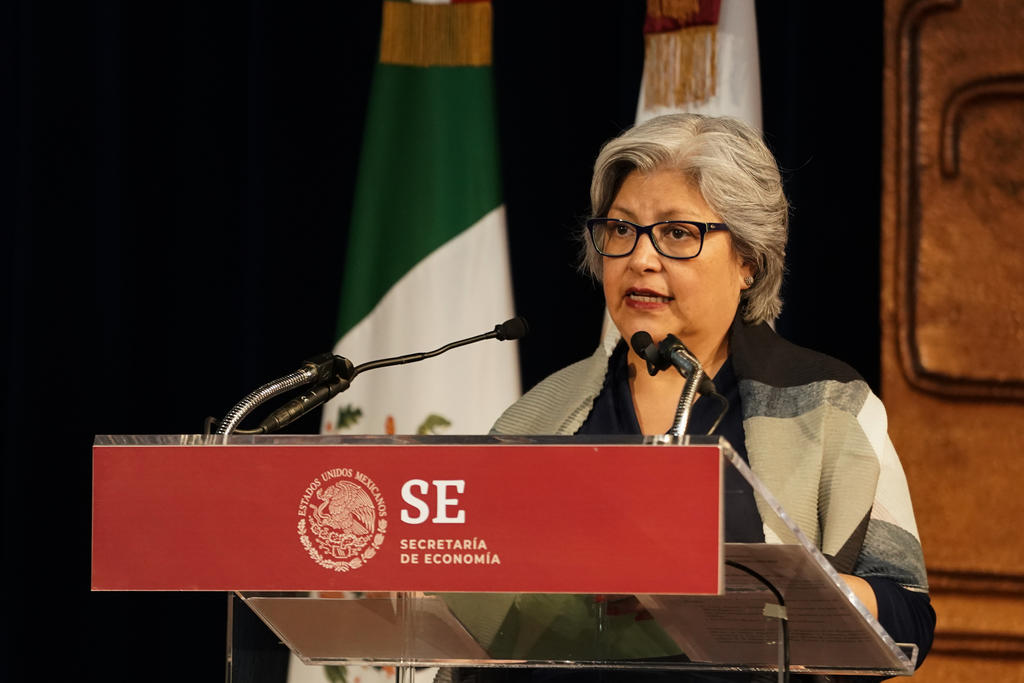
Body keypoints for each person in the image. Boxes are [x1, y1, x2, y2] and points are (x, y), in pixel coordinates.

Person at [458, 114, 935, 680]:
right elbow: (474, 632)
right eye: (621, 229)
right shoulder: (538, 417)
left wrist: (772, 597)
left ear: (747, 261)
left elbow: (906, 615)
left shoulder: (829, 407)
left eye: (677, 233)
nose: (640, 258)